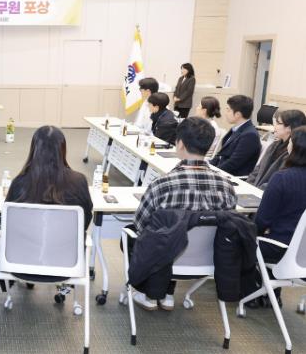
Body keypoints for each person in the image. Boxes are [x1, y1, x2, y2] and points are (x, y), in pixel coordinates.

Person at [131, 117, 237, 311]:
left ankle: (150, 294)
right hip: (208, 260)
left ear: (180, 144)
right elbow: (228, 224)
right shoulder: (227, 186)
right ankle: (168, 293)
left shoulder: (162, 184)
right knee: (174, 233)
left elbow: (140, 224)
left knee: (146, 237)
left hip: (165, 260)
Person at [252, 126, 306, 306]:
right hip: (301, 253)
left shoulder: (282, 178)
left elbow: (262, 220)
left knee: (241, 238)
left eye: (290, 141)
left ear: (296, 147)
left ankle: (253, 292)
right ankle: (270, 293)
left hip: (280, 248)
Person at [6, 125, 93, 227]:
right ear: (62, 149)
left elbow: (6, 220)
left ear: (34, 149)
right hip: (66, 237)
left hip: (27, 237)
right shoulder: (79, 182)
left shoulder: (19, 183)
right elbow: (85, 220)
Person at [247, 110, 306, 189]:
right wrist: (248, 186)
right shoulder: (273, 145)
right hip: (254, 190)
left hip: (268, 192)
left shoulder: (292, 153)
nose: (274, 125)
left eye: (278, 123)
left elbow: (278, 181)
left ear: (289, 128)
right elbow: (257, 170)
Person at [210, 95, 261, 176]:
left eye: (228, 110)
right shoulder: (236, 129)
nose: (226, 113)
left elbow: (233, 163)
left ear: (237, 114)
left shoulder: (250, 135)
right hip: (221, 172)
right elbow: (220, 155)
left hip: (232, 177)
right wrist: (208, 167)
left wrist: (213, 172)